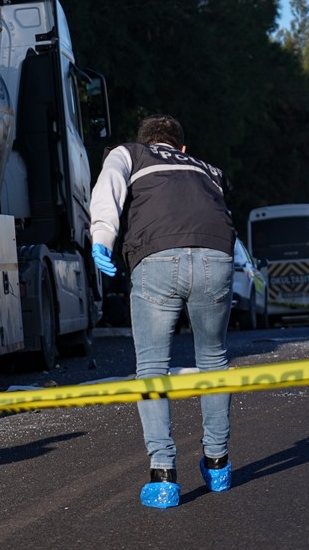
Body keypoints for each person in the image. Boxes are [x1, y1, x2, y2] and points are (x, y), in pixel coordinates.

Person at [89, 115, 236, 509]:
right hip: (216, 256)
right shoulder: (206, 169)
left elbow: (109, 187)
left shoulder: (130, 154)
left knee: (152, 367)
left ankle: (164, 476)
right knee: (213, 359)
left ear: (146, 141)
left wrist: (102, 237)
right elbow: (221, 212)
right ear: (181, 148)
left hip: (156, 258)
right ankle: (218, 464)